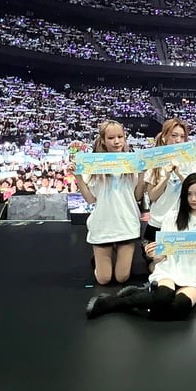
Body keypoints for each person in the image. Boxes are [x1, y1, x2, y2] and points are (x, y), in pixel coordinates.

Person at [86, 173, 196, 320]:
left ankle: (137, 295)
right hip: (169, 271)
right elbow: (163, 255)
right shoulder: (172, 217)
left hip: (195, 276)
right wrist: (154, 254)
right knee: (162, 298)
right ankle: (112, 303)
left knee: (179, 307)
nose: (193, 199)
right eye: (189, 194)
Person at [73, 120, 142, 286]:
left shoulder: (133, 162)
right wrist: (78, 177)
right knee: (104, 279)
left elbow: (138, 196)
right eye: (111, 138)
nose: (117, 141)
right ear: (103, 140)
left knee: (121, 277)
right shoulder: (93, 165)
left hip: (126, 224)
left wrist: (142, 174)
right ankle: (99, 259)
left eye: (120, 137)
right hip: (103, 225)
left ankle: (115, 257)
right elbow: (90, 199)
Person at [140, 118, 193, 245]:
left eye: (182, 136)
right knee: (155, 258)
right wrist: (166, 178)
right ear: (164, 137)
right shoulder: (155, 162)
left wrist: (179, 174)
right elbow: (152, 196)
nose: (178, 140)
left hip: (183, 223)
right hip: (157, 223)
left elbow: (193, 190)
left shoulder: (191, 161)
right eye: (174, 135)